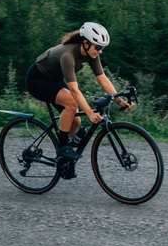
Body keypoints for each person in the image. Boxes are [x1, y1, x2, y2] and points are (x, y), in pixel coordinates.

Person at [25, 22, 131, 174]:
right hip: (37, 80)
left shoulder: (91, 53)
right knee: (71, 104)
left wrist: (118, 99)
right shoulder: (68, 55)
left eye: (102, 48)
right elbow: (74, 89)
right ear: (86, 43)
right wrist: (89, 112)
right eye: (98, 47)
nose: (100, 52)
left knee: (76, 121)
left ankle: (65, 159)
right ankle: (63, 148)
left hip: (53, 79)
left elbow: (102, 79)